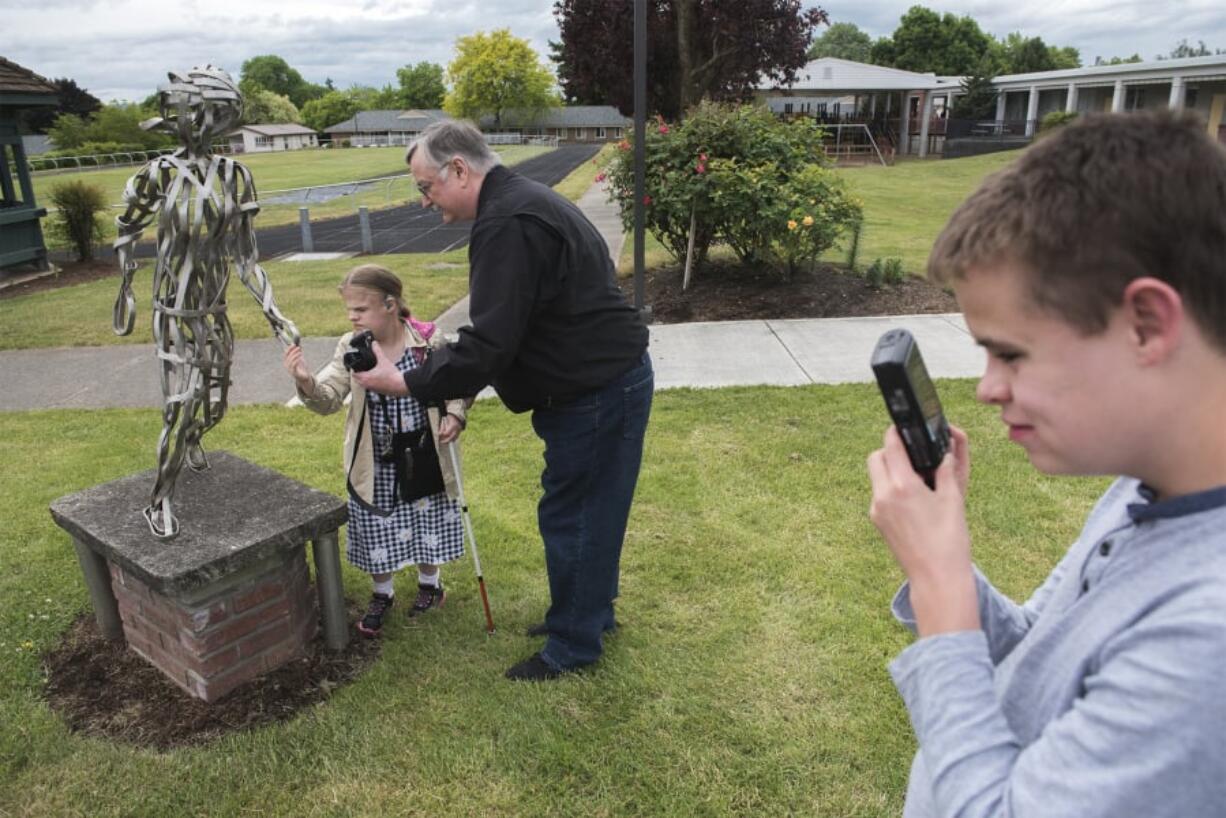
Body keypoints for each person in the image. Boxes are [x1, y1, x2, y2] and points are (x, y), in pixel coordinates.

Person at [866, 109, 1226, 816]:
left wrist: (941, 587)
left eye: (1012, 353)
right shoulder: (1147, 485)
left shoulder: (1206, 642)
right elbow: (1039, 653)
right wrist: (939, 554)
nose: (988, 388)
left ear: (1147, 325)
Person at [353, 119, 652, 681]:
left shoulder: (508, 222)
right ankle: (586, 613)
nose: (424, 201)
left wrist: (409, 382)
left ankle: (574, 644)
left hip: (595, 390)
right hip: (605, 380)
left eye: (426, 186)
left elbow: (490, 342)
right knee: (592, 507)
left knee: (576, 513)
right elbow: (510, 328)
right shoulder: (521, 204)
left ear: (459, 169)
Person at [284, 264, 469, 637]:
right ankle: (381, 593)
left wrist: (454, 414)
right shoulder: (351, 346)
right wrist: (306, 382)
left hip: (423, 451)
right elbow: (329, 398)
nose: (352, 317)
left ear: (390, 304)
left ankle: (430, 585)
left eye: (360, 309)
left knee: (426, 516)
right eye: (349, 310)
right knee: (375, 522)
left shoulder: (427, 341)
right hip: (377, 458)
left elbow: (456, 384)